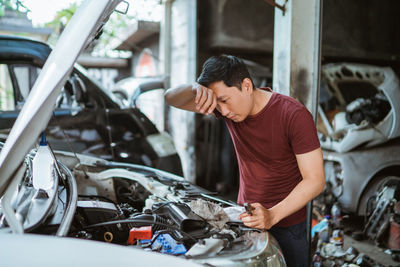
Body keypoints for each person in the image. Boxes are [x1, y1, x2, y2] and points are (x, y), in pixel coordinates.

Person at [164, 55, 325, 266]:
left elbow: (315, 180)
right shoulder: (229, 110)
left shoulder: (293, 114)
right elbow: (170, 98)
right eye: (217, 104)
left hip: (288, 224)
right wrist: (194, 88)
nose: (223, 111)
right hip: (245, 219)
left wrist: (273, 215)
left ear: (247, 86)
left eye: (223, 100)